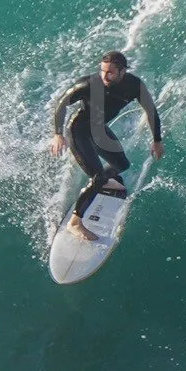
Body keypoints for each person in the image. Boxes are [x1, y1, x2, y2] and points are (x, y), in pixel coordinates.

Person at [50, 50, 163, 238]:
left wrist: (157, 140)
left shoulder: (134, 86)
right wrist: (57, 134)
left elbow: (151, 111)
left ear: (122, 72)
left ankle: (103, 182)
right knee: (97, 176)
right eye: (102, 71)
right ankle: (75, 222)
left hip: (99, 129)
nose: (105, 76)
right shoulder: (89, 84)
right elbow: (61, 104)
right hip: (79, 129)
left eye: (110, 72)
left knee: (122, 165)